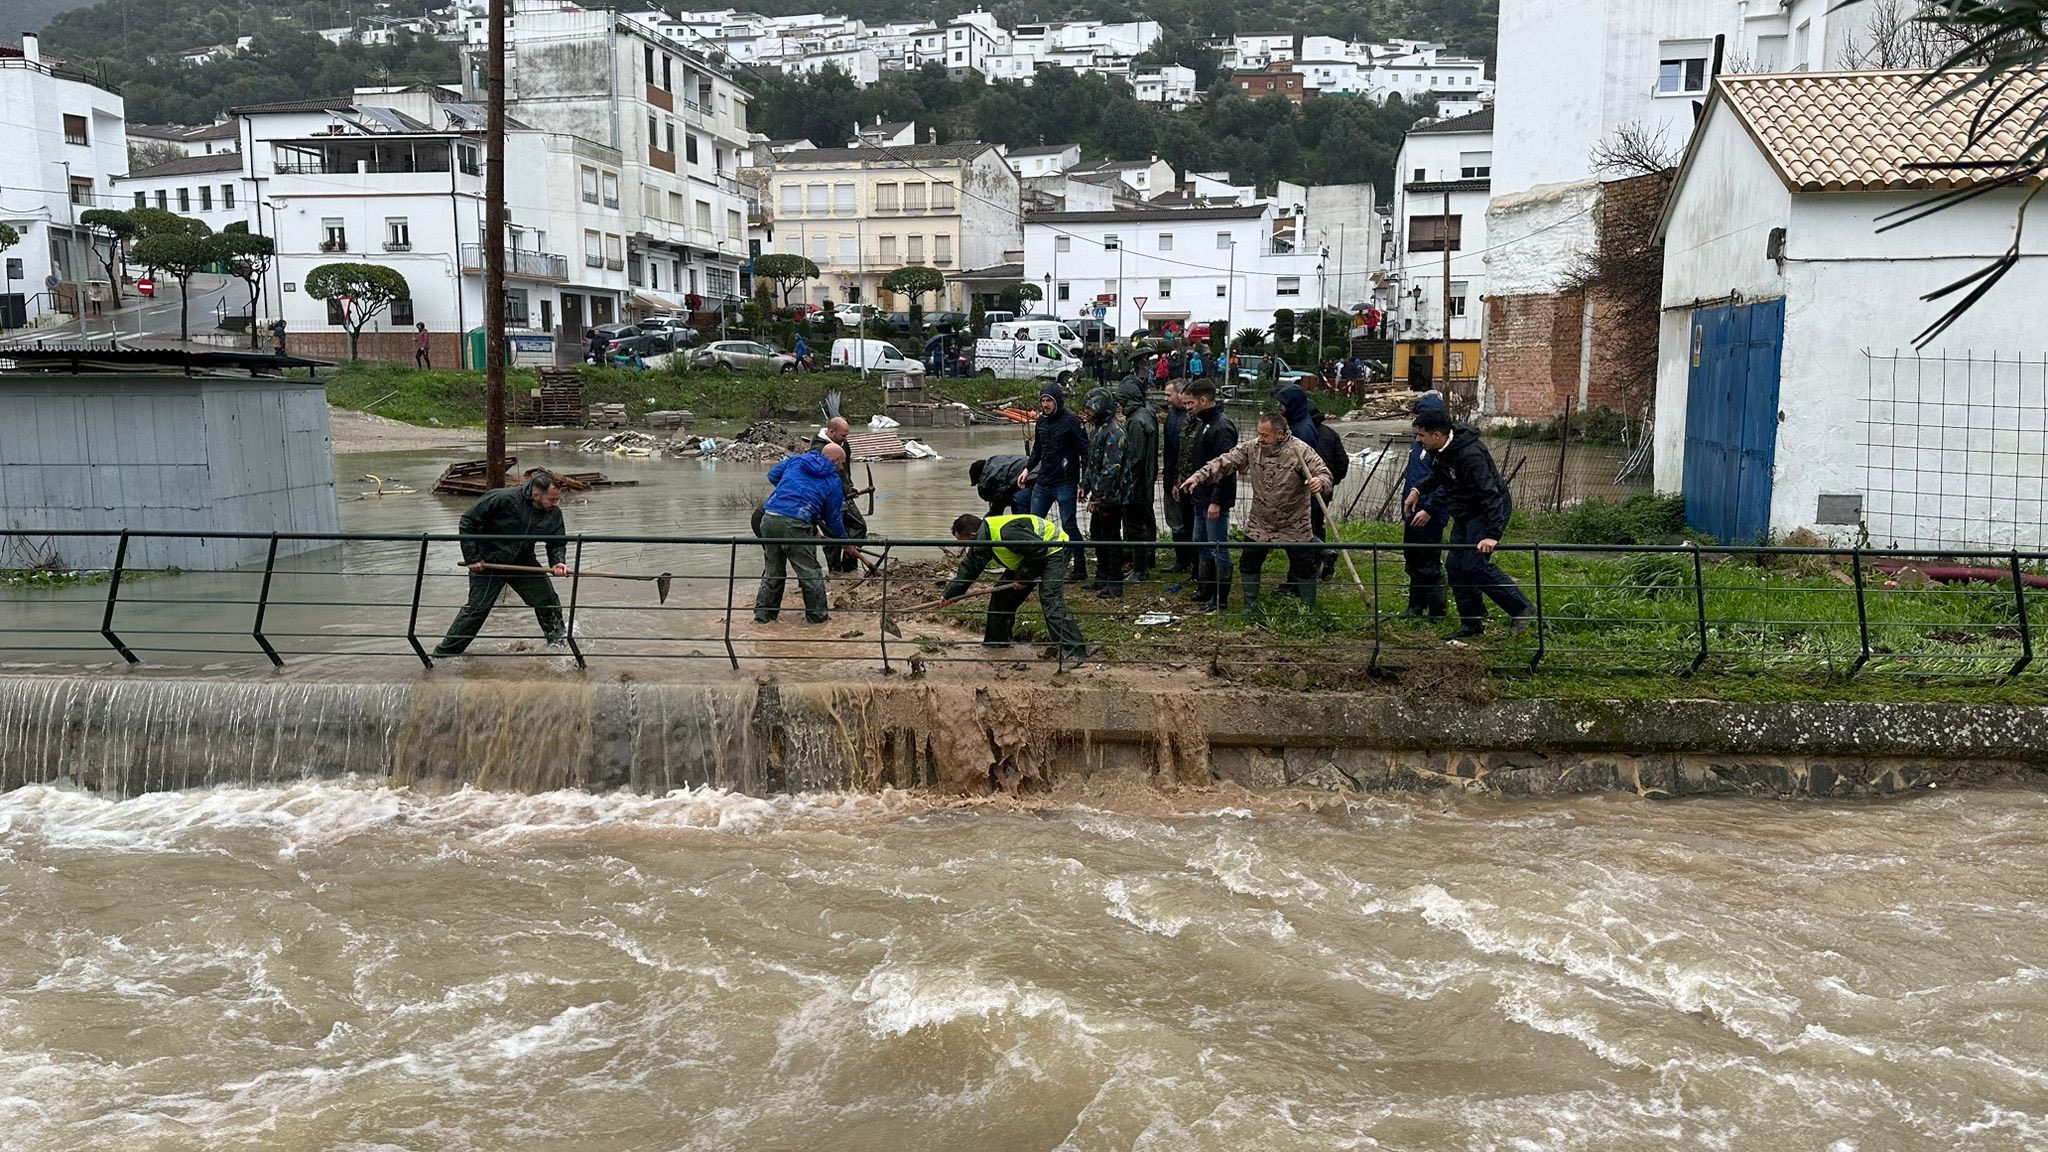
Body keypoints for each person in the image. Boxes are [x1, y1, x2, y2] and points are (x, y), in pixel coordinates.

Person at [1179, 411, 1332, 612]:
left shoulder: (1300, 450)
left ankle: (1308, 608)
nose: (1260, 438)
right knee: (1249, 562)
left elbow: (1324, 472)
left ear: (1279, 433)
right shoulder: (1252, 448)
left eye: (1264, 435)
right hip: (1261, 521)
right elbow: (1225, 461)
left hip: (1294, 521)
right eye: (1258, 433)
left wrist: (1319, 482)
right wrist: (1198, 477)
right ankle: (1250, 606)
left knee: (1303, 566)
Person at [1405, 406, 1534, 639]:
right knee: (1455, 567)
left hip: (1487, 511)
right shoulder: (1442, 450)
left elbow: (1491, 494)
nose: (1418, 440)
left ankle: (1521, 608)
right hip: (1465, 512)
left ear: (1437, 435)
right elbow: (1440, 476)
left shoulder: (1470, 455)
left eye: (1421, 435)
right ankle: (1472, 623)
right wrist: (1418, 489)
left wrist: (1492, 534)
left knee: (1474, 565)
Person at [433, 472, 569, 657]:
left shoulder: (553, 513)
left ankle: (559, 646)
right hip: (489, 561)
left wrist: (558, 562)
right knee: (477, 609)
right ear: (536, 494)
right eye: (552, 499)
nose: (556, 504)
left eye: (558, 499)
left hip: (523, 560)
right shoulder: (502, 498)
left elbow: (556, 541)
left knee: (547, 600)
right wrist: (472, 557)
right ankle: (444, 654)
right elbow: (468, 521)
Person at [943, 512, 1089, 672]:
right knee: (1002, 595)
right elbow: (969, 569)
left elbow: (1039, 549)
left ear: (972, 535)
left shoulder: (1006, 531)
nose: (966, 548)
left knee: (1050, 598)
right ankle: (996, 644)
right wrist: (950, 594)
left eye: (964, 542)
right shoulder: (983, 537)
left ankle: (1074, 652)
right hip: (1029, 555)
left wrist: (1023, 577)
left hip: (1053, 549)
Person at [755, 442, 855, 625]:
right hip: (794, 524)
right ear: (835, 460)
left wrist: (791, 488)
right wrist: (847, 544)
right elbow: (833, 519)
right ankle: (818, 621)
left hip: (769, 518)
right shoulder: (833, 480)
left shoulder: (797, 460)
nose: (842, 468)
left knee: (773, 572)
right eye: (842, 463)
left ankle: (763, 618)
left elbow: (773, 475)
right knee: (811, 573)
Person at [1177, 380, 1239, 612]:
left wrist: (1216, 500)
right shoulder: (1204, 423)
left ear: (1204, 400)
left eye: (1190, 403)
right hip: (1200, 497)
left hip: (1214, 500)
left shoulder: (1221, 427)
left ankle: (1220, 599)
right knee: (1201, 542)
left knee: (1217, 546)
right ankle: (1205, 591)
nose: (1187, 408)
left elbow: (1226, 468)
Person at [1018, 385, 1088, 578]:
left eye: (1049, 401)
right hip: (1043, 481)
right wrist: (1026, 469)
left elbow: (1085, 452)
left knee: (1069, 525)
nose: (1045, 404)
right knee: (1035, 525)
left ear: (1057, 401)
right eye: (1043, 401)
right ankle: (1034, 566)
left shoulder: (1072, 422)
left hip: (1065, 482)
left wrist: (1084, 482)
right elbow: (1037, 450)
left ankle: (1080, 568)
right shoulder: (1041, 422)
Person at [1080, 387, 1133, 597]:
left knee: (1110, 537)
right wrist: (1084, 486)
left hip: (1113, 497)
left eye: (1090, 410)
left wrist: (1098, 498)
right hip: (1100, 495)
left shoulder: (1114, 433)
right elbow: (1093, 464)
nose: (1087, 414)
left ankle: (1114, 583)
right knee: (1097, 535)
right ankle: (1101, 577)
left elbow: (1111, 470)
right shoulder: (1099, 429)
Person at [1116, 375, 1160, 585]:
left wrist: (1123, 482)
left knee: (1136, 526)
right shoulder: (1146, 414)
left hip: (1136, 484)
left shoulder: (1135, 422)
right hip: (1145, 482)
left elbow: (1134, 458)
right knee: (1144, 522)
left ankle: (1140, 570)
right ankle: (1144, 562)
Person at [813, 417, 867, 574]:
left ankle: (850, 567)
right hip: (827, 497)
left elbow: (844, 470)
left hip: (842, 494)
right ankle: (835, 570)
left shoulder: (843, 445)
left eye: (846, 435)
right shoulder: (818, 450)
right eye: (843, 435)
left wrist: (848, 486)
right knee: (831, 535)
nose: (845, 438)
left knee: (859, 526)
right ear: (831, 432)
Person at [1309, 407, 1352, 581]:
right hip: (1325, 488)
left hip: (1309, 488)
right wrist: (1332, 482)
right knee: (1318, 524)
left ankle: (1320, 557)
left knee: (1303, 528)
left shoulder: (1302, 435)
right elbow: (1343, 461)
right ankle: (1322, 557)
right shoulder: (1331, 433)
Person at [1159, 382, 1194, 581]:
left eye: (1169, 394)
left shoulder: (1189, 418)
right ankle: (1181, 560)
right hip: (1171, 475)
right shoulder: (1172, 416)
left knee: (1184, 520)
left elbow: (1184, 453)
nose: (1166, 399)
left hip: (1182, 478)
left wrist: (1178, 480)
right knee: (1174, 520)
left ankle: (1187, 559)